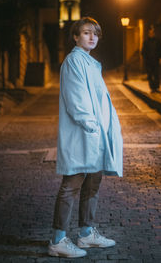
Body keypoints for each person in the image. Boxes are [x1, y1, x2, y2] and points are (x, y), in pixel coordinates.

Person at [48, 16, 123, 258]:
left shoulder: (92, 63)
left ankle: (86, 234)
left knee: (92, 185)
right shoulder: (73, 61)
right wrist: (92, 127)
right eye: (87, 32)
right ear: (75, 36)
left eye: (96, 34)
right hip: (83, 134)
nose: (92, 37)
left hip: (96, 135)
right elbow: (76, 100)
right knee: (71, 185)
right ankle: (58, 240)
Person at [142, 25, 161, 93]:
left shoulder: (157, 41)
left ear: (154, 33)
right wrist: (145, 59)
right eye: (150, 33)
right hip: (148, 62)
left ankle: (156, 88)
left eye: (152, 33)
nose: (151, 34)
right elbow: (143, 51)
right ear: (149, 33)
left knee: (156, 74)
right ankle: (152, 88)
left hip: (156, 60)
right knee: (150, 75)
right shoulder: (146, 41)